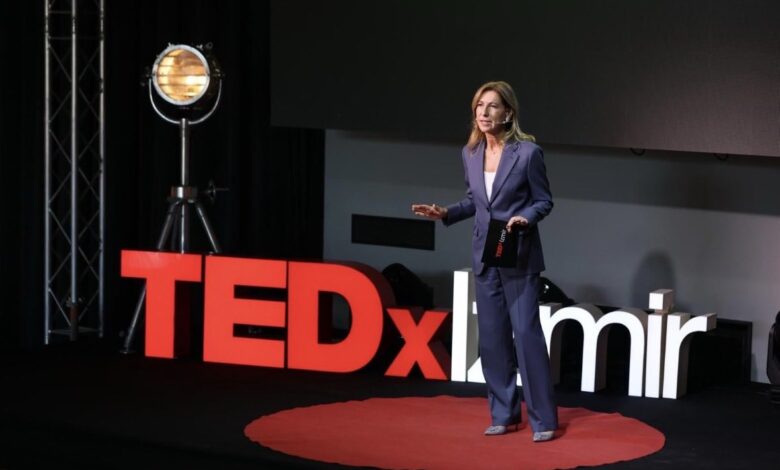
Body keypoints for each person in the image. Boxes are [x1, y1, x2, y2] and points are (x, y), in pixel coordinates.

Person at [412, 81, 558, 442]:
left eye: (492, 106)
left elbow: (543, 200)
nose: (484, 112)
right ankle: (504, 415)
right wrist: (446, 212)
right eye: (479, 105)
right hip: (485, 252)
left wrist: (526, 218)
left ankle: (543, 420)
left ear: (508, 113)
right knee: (492, 338)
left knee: (526, 335)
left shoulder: (527, 153)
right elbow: (475, 202)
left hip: (517, 250)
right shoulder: (470, 152)